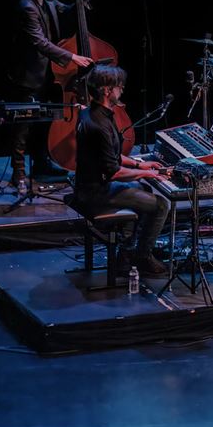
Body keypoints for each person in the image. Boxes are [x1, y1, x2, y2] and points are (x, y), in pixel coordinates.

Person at [74, 65, 170, 276]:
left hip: (89, 185)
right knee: (162, 205)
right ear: (107, 90)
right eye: (119, 87)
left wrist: (139, 165)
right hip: (95, 193)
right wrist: (148, 173)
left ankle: (126, 253)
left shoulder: (90, 113)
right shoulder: (99, 126)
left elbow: (110, 155)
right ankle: (142, 257)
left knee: (144, 189)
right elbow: (114, 172)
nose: (122, 90)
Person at [8, 0, 94, 191]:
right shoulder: (27, 6)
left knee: (45, 122)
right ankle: (18, 172)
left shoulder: (48, 0)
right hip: (29, 75)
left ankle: (42, 164)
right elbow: (39, 42)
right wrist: (72, 56)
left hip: (50, 72)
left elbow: (67, 10)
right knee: (23, 126)